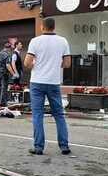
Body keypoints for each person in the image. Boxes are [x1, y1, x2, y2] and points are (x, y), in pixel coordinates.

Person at [24, 18, 72, 156]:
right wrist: (55, 66)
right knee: (59, 114)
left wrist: (36, 67)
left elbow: (27, 63)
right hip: (54, 82)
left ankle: (38, 147)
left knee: (38, 114)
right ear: (54, 27)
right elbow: (67, 63)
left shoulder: (35, 41)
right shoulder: (63, 41)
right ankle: (64, 146)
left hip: (37, 82)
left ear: (42, 27)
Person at [0, 43, 13, 107]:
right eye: (10, 49)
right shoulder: (6, 55)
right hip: (4, 74)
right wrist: (13, 73)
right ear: (9, 48)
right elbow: (8, 65)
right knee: (4, 88)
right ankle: (3, 103)